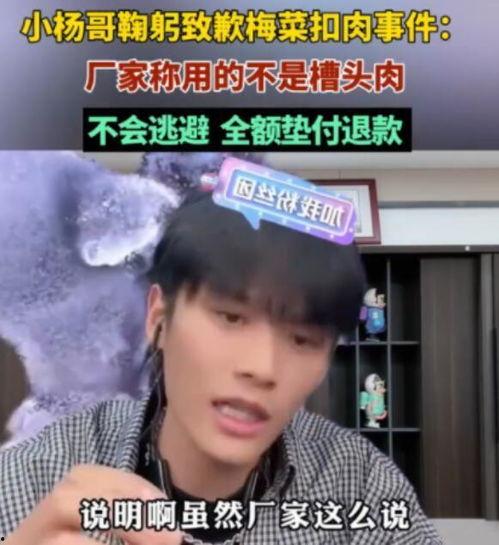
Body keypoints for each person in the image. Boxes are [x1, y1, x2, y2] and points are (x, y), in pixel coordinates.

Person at [0, 187, 443, 545]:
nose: (263, 368)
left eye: (302, 339)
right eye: (230, 317)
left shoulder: (360, 485)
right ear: (158, 318)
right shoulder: (34, 479)